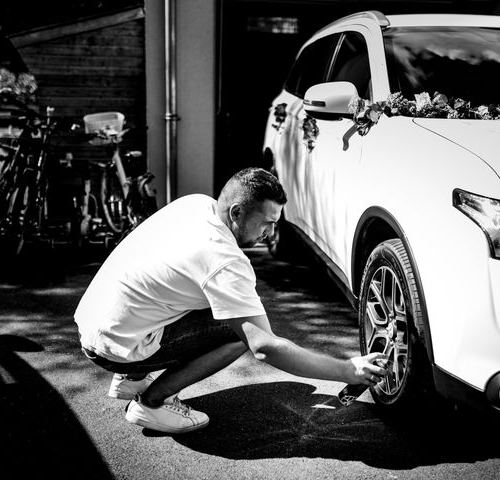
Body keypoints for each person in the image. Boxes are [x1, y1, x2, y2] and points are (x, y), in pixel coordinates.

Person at [74, 167, 387, 434]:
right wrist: (346, 370)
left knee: (214, 302)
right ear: (237, 212)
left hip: (95, 322)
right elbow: (265, 347)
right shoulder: (224, 259)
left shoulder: (195, 203)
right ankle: (153, 402)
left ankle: (131, 378)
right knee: (240, 336)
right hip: (113, 346)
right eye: (267, 222)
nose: (271, 232)